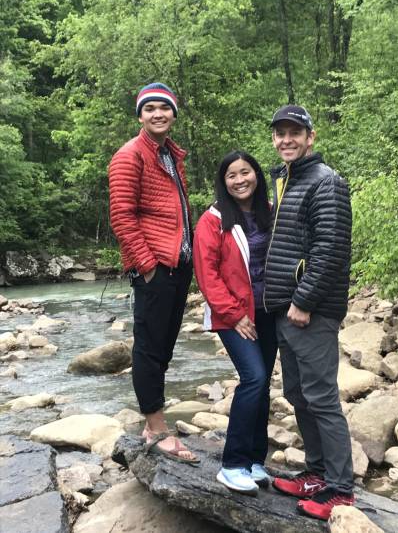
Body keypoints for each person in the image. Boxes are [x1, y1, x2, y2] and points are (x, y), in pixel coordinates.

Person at [263, 105, 354, 519]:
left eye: (294, 133)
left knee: (321, 398)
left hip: (310, 311)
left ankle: (340, 489)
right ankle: (317, 473)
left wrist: (304, 301)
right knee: (298, 395)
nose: (286, 139)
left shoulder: (325, 181)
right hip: (287, 308)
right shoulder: (287, 179)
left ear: (310, 137)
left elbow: (330, 249)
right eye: (280, 133)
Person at [108, 82, 199, 465]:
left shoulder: (170, 155)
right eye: (150, 108)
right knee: (149, 347)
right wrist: (147, 266)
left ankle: (154, 422)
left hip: (177, 265)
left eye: (164, 107)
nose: (158, 113)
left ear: (173, 113)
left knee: (163, 347)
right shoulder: (130, 156)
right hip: (155, 267)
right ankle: (156, 429)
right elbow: (122, 217)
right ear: (140, 116)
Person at [193, 150, 277, 495]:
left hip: (269, 311)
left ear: (256, 174)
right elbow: (207, 274)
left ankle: (255, 461)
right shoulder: (212, 220)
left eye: (245, 172)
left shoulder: (270, 211)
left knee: (263, 383)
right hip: (234, 315)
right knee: (253, 378)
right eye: (232, 175)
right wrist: (234, 314)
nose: (240, 180)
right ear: (223, 181)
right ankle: (232, 465)